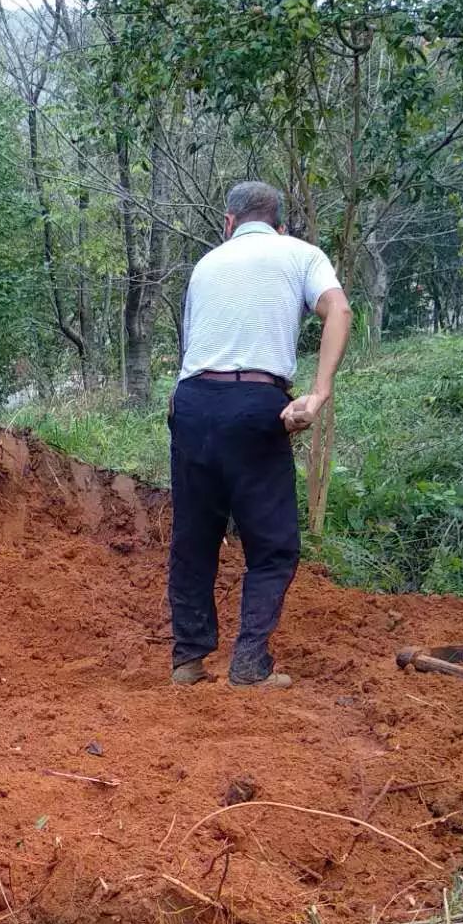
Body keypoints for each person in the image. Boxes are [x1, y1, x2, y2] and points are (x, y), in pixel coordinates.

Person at [168, 180, 352, 688]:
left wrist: (183, 412)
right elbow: (338, 310)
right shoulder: (300, 253)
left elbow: (192, 352)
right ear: (280, 225)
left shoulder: (207, 265)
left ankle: (188, 660)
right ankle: (248, 662)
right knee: (272, 545)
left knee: (194, 539)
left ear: (228, 223)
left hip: (193, 402)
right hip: (256, 404)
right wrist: (317, 394)